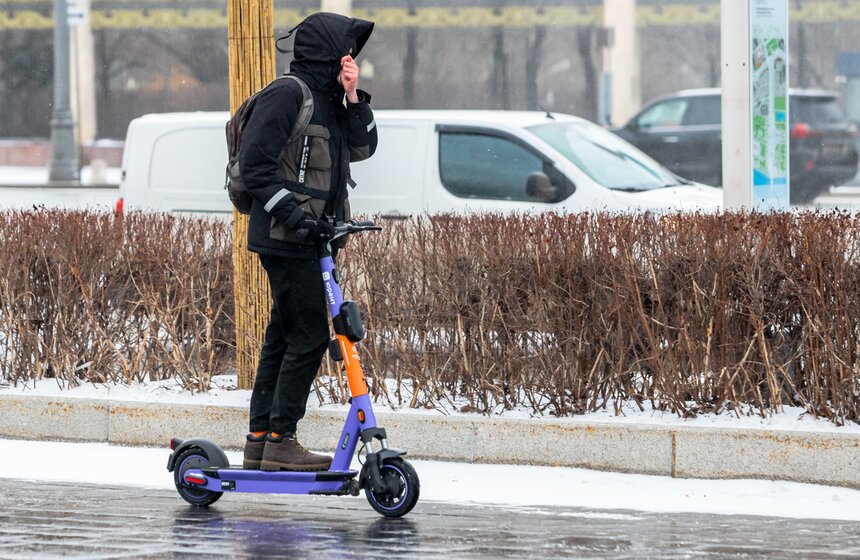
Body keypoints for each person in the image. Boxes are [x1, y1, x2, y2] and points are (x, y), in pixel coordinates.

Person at [238, 12, 377, 471]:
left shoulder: (330, 99)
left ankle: (261, 441)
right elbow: (256, 166)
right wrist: (299, 218)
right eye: (345, 51)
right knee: (312, 334)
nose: (350, 58)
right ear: (325, 51)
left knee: (284, 335)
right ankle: (281, 441)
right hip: (285, 236)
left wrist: (354, 96)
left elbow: (364, 147)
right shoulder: (287, 94)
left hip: (312, 239)